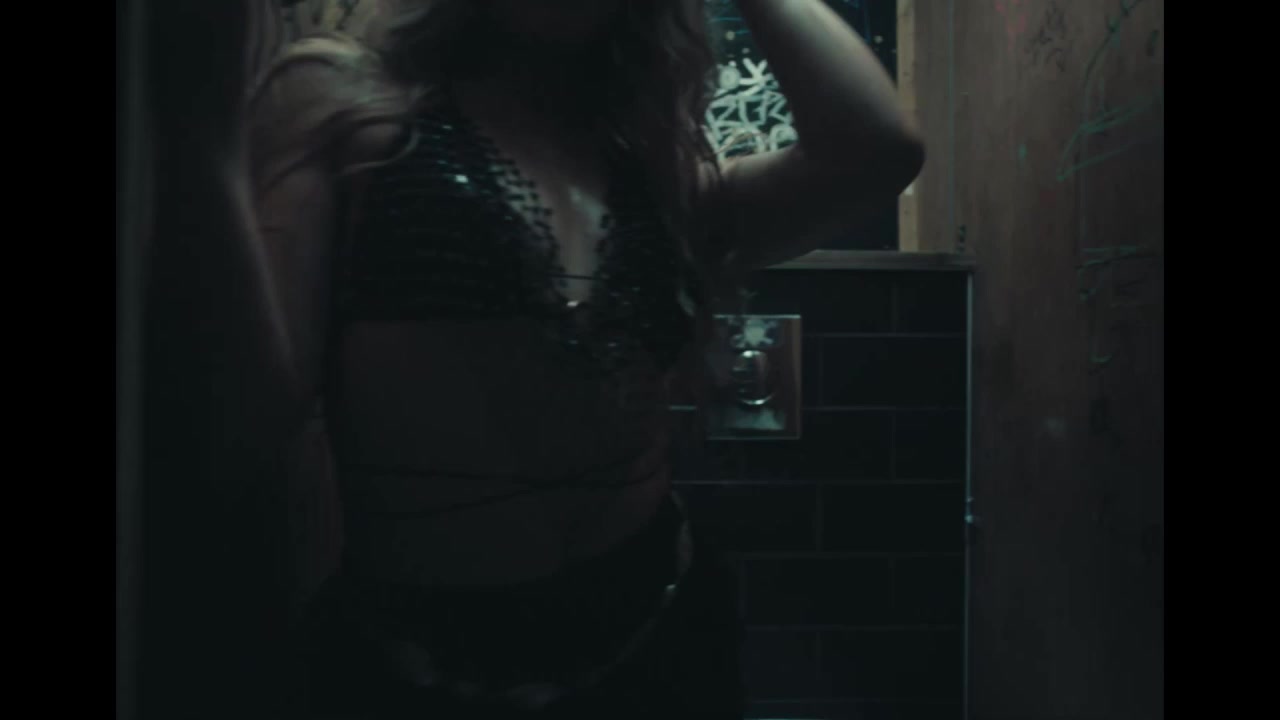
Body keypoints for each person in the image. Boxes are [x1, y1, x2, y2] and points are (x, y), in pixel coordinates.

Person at [239, 0, 923, 717]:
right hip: (417, 665)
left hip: (661, 645)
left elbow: (876, 151)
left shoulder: (648, 166)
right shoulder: (344, 103)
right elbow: (251, 416)